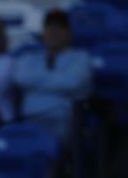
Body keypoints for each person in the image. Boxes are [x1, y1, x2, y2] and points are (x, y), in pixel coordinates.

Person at [12, 8, 92, 141]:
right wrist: (59, 80)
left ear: (69, 33)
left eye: (59, 28)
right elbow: (20, 78)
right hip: (29, 120)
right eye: (49, 27)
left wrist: (36, 82)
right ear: (43, 32)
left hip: (64, 123)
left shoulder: (81, 58)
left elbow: (73, 83)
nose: (54, 32)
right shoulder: (28, 58)